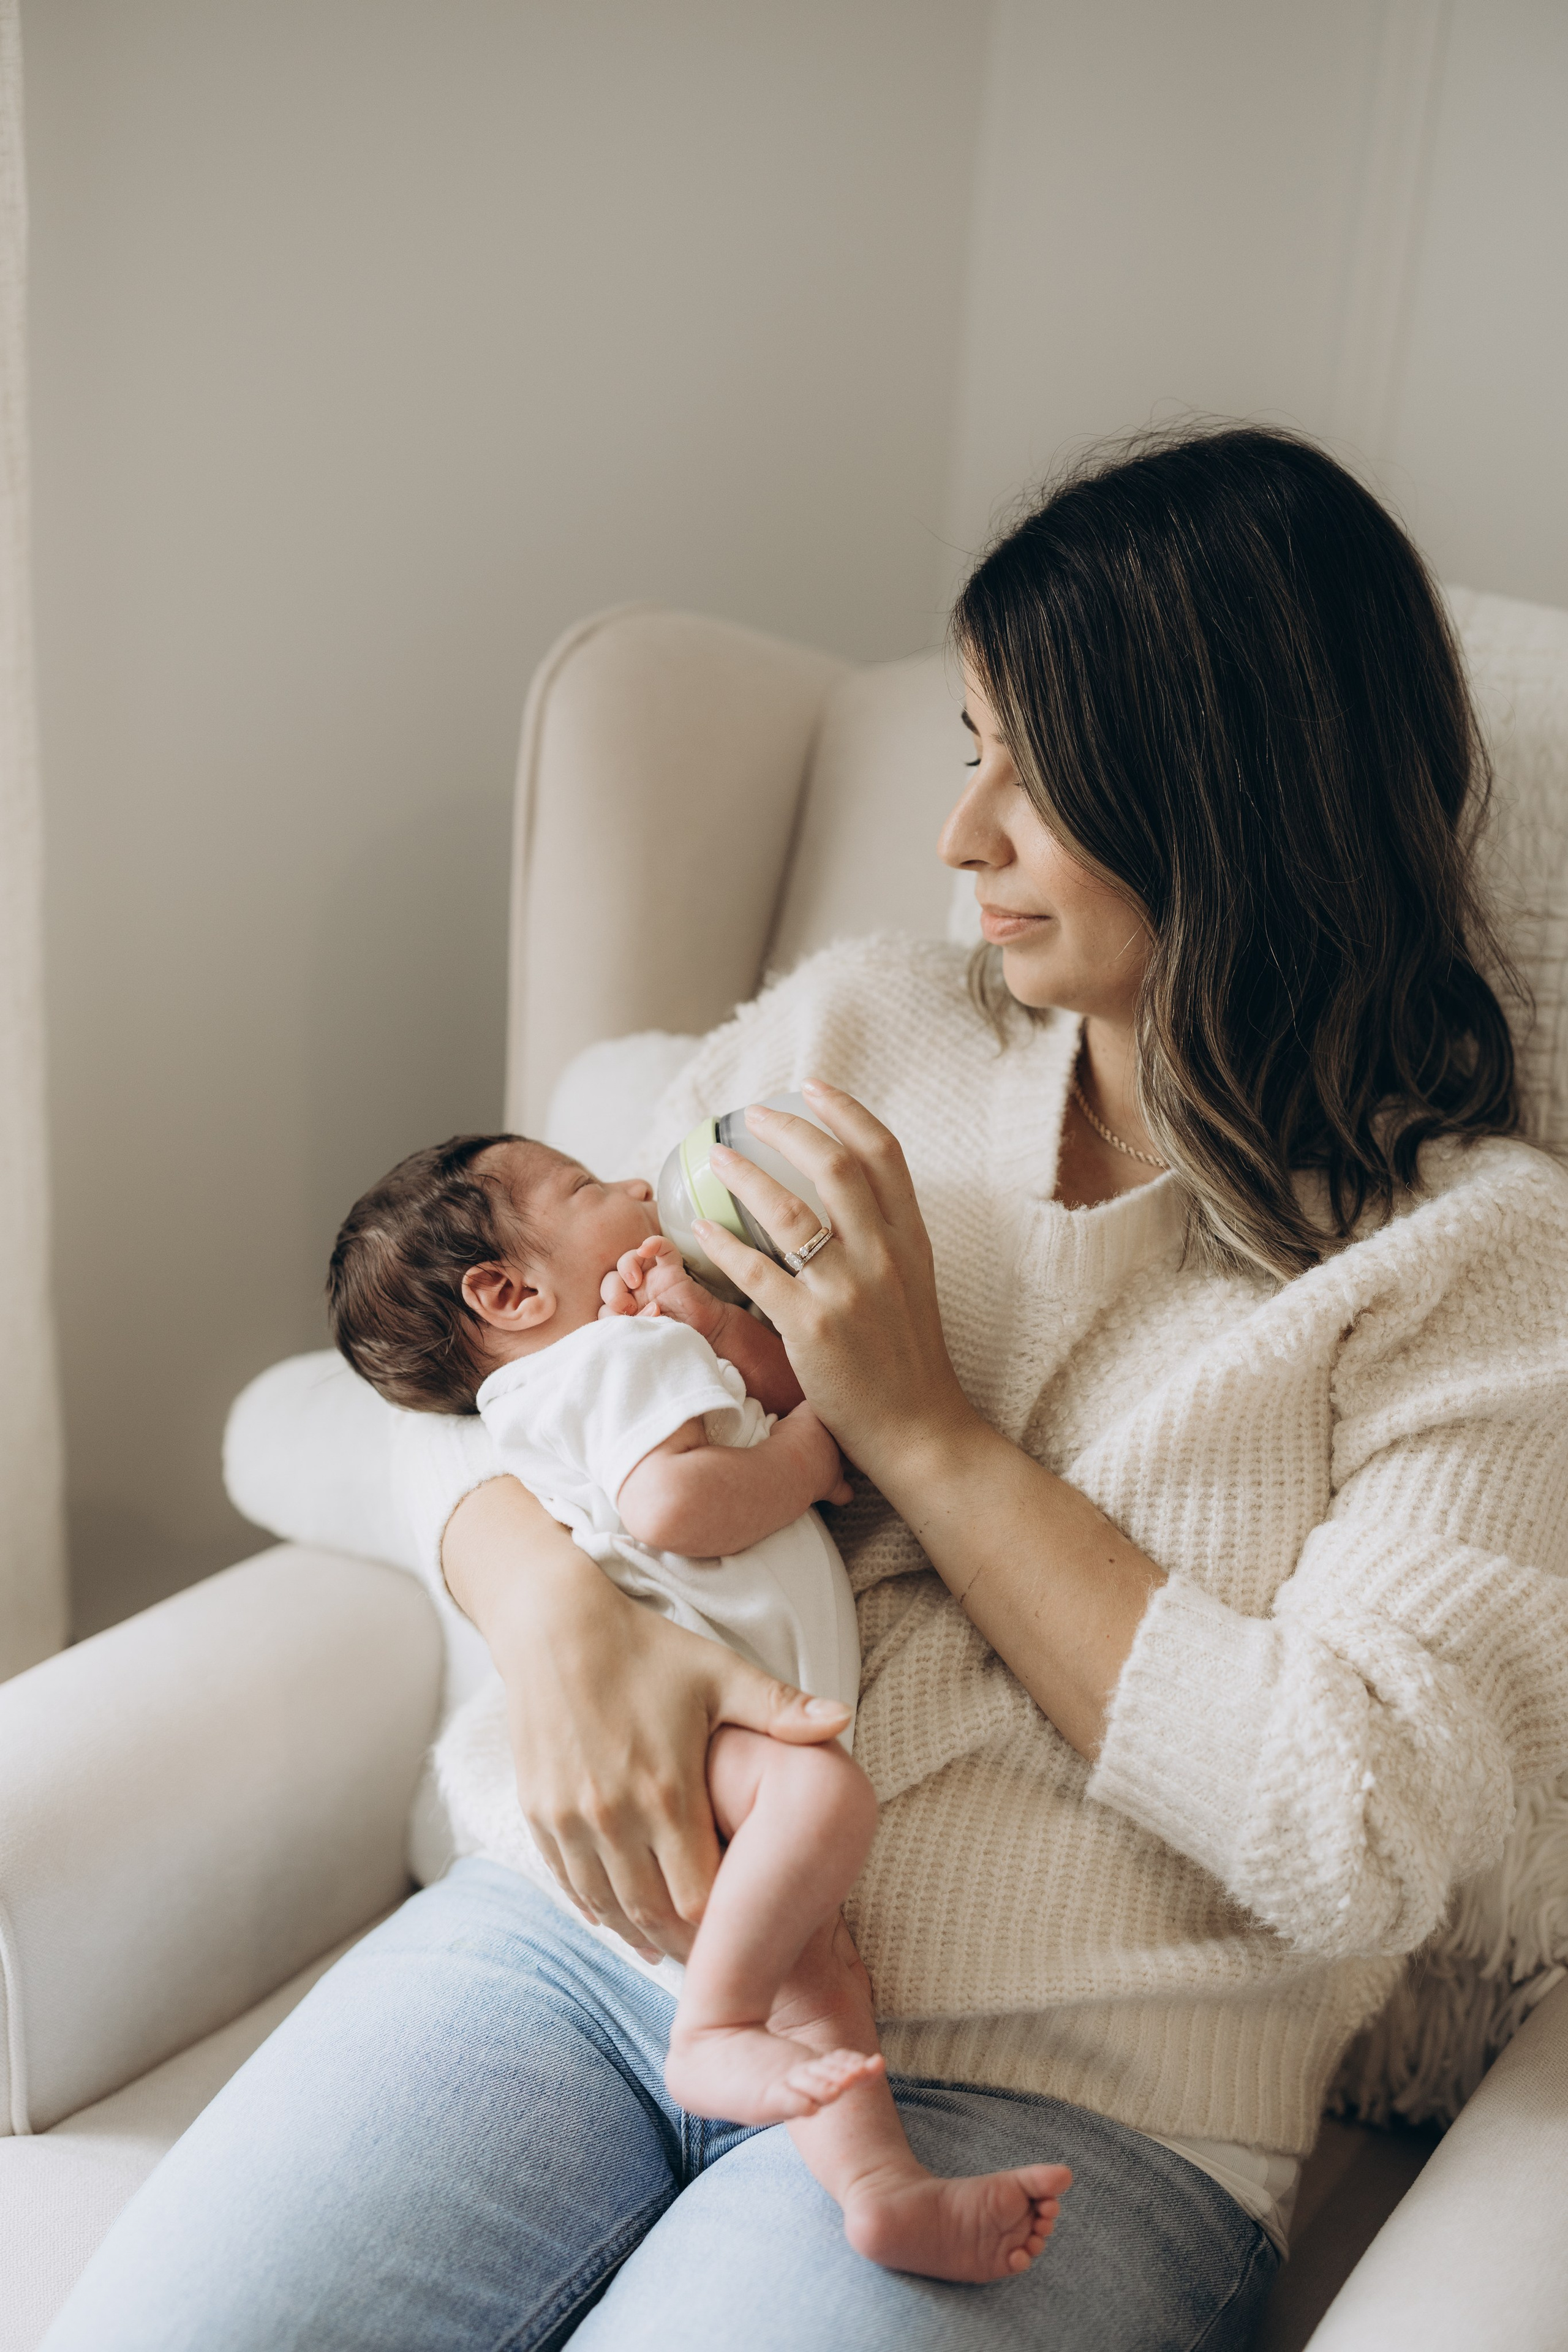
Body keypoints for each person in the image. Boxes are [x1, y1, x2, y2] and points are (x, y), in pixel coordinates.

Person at [42, 426, 1568, 2352]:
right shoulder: (862, 1028)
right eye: (967, 749)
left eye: (1037, 772)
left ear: (1240, 790)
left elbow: (1360, 1834)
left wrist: (921, 1432)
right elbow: (413, 1399)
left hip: (1065, 2105)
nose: (962, 837)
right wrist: (543, 1607)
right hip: (574, 1951)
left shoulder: (1475, 1261)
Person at [323, 1135, 1071, 2277]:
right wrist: (807, 1458)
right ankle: (713, 2031)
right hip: (700, 1718)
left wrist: (715, 1327)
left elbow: (766, 1395)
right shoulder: (607, 1359)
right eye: (586, 1189)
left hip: (691, 1732)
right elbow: (674, 1503)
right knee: (823, 1803)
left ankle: (884, 2192)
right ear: (509, 1294)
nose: (634, 1185)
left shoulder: (584, 1373)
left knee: (822, 1981)